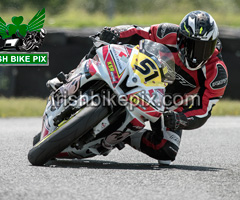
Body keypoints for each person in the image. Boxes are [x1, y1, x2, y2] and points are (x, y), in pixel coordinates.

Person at [96, 10, 228, 165]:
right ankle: (71, 78)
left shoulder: (217, 74)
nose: (196, 55)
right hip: (141, 77)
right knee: (102, 44)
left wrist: (180, 119)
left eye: (205, 48)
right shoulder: (167, 32)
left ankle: (122, 135)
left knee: (167, 151)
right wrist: (115, 32)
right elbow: (137, 31)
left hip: (170, 106)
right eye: (193, 45)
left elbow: (203, 111)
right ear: (180, 38)